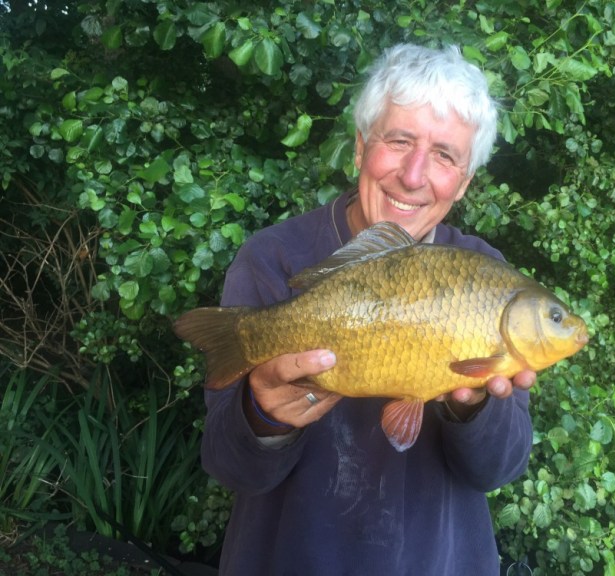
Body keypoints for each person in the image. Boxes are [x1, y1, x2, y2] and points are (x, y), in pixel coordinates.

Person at [201, 43, 536, 576]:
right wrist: (262, 414)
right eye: (399, 141)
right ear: (360, 148)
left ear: (465, 181)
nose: (414, 174)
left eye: (446, 155)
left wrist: (470, 407)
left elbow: (498, 469)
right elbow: (228, 466)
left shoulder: (483, 273)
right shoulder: (272, 258)